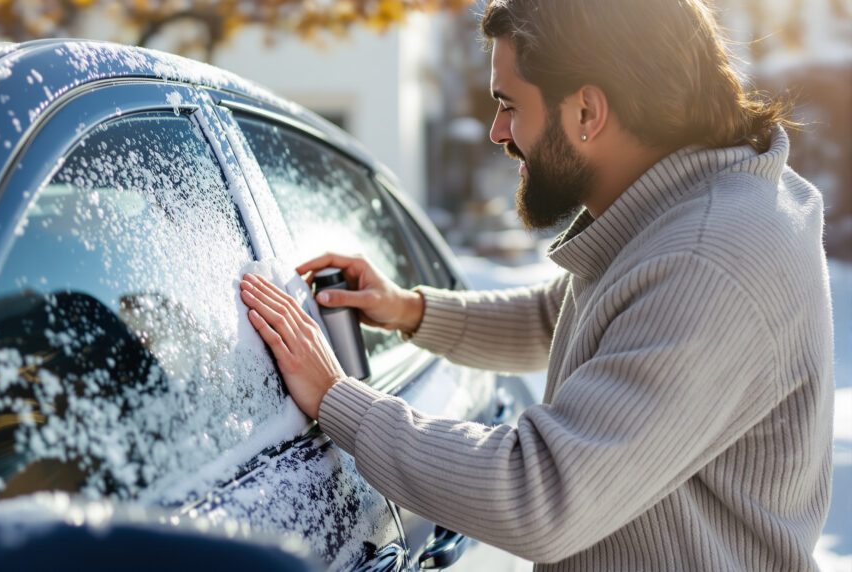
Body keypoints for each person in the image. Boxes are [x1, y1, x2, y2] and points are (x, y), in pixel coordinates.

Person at [238, 0, 835, 569]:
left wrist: (336, 398)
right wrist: (409, 311)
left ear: (586, 113)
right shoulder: (690, 211)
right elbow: (568, 319)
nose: (498, 131)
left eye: (509, 103)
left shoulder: (710, 257)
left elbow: (542, 494)